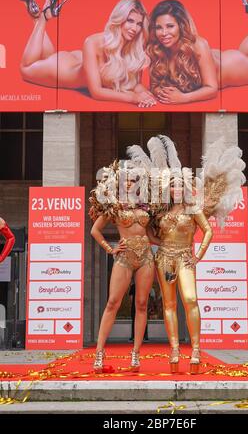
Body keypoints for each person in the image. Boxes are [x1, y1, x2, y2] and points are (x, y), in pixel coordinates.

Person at [127, 135, 246, 374]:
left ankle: (196, 350)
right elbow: (149, 232)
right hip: (163, 258)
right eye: (172, 185)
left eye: (180, 184)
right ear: (168, 188)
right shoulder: (160, 210)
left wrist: (199, 255)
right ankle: (174, 350)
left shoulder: (194, 207)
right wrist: (158, 242)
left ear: (185, 186)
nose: (176, 188)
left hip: (184, 257)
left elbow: (208, 230)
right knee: (168, 306)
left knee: (190, 300)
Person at [15, 0, 156, 108]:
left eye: (138, 24)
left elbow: (133, 84)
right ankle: (43, 17)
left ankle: (38, 14)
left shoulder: (134, 48)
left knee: (47, 56)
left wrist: (144, 94)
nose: (134, 28)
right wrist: (133, 98)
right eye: (130, 21)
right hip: (63, 69)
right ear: (120, 18)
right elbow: (96, 92)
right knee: (26, 68)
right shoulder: (93, 42)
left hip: (78, 60)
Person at [147, 0, 248, 104]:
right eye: (159, 27)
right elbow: (154, 85)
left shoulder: (198, 44)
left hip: (231, 66)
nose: (163, 33)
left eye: (170, 26)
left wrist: (183, 98)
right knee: (244, 52)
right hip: (220, 59)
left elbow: (212, 89)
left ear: (181, 26)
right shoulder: (156, 48)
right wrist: (161, 91)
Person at [89, 160, 155, 373]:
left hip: (146, 257)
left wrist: (174, 245)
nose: (130, 184)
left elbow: (152, 235)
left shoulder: (147, 205)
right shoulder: (113, 205)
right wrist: (110, 248)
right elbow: (95, 231)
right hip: (124, 257)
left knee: (142, 304)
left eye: (134, 180)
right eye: (126, 180)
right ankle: (99, 352)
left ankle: (136, 354)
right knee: (112, 303)